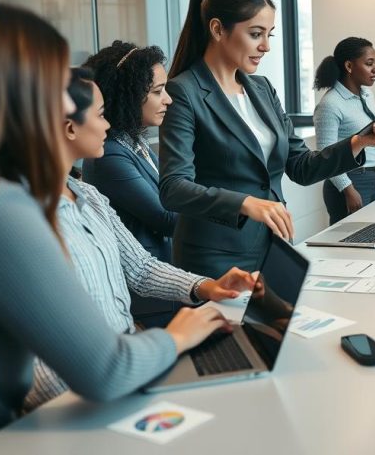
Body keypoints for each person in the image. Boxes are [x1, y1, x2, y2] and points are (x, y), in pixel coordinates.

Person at [0, 0, 227, 454]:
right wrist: (178, 336)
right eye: (57, 80)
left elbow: (136, 270)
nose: (70, 96)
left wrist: (200, 290)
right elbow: (105, 370)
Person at [23, 68, 256, 410]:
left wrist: (207, 287)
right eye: (101, 115)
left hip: (127, 366)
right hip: (89, 397)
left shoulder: (88, 195)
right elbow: (37, 364)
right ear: (68, 127)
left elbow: (140, 269)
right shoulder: (24, 219)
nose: (107, 125)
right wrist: (168, 344)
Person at [160, 0, 375, 278]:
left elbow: (301, 166)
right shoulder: (184, 92)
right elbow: (174, 188)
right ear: (218, 29)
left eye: (269, 35)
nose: (266, 46)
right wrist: (245, 203)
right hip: (215, 258)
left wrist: (360, 141)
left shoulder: (261, 88)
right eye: (256, 34)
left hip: (274, 246)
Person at [82, 41, 177, 262]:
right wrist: (228, 207)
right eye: (157, 91)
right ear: (128, 95)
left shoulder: (132, 141)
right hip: (143, 282)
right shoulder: (109, 154)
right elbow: (166, 218)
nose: (168, 99)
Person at [313, 37, 375, 224]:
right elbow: (325, 154)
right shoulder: (330, 104)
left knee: (373, 238)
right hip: (352, 182)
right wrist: (347, 189)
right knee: (350, 243)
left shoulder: (366, 95)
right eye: (369, 63)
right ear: (349, 66)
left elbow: (374, 130)